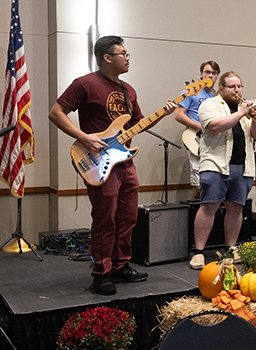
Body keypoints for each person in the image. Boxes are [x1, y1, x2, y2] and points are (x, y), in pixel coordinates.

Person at [48, 35, 176, 295]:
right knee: (105, 219)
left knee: (128, 217)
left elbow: (138, 123)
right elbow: (56, 112)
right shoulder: (85, 84)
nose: (128, 58)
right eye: (123, 54)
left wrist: (164, 112)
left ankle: (120, 266)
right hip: (98, 162)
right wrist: (83, 137)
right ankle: (101, 273)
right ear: (107, 57)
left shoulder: (128, 91)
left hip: (125, 162)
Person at [189, 71, 256, 269]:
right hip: (216, 164)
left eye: (239, 86)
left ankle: (230, 248)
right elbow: (213, 126)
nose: (237, 90)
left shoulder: (244, 108)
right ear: (221, 88)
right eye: (232, 86)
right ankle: (198, 252)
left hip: (242, 165)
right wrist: (241, 113)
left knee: (236, 207)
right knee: (209, 207)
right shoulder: (210, 104)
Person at [174, 60, 220, 200]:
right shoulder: (191, 91)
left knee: (214, 182)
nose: (210, 75)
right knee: (199, 185)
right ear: (201, 74)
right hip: (196, 138)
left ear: (218, 75)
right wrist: (201, 127)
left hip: (214, 141)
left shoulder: (218, 96)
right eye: (207, 72)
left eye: (214, 73)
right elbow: (178, 115)